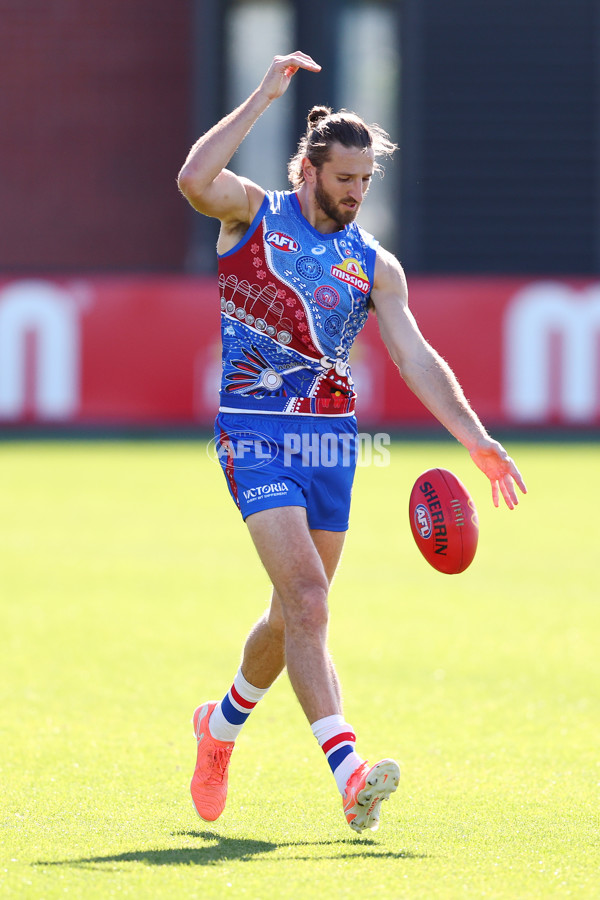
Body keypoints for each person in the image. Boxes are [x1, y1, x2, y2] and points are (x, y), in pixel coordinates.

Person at [177, 51, 527, 834]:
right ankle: (350, 771)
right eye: (345, 179)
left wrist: (474, 439)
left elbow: (415, 357)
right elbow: (193, 180)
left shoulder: (374, 264)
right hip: (255, 436)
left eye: (367, 181)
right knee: (306, 598)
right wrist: (264, 96)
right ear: (310, 170)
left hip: (333, 447)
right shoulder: (252, 214)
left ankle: (219, 729)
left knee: (293, 614)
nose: (357, 194)